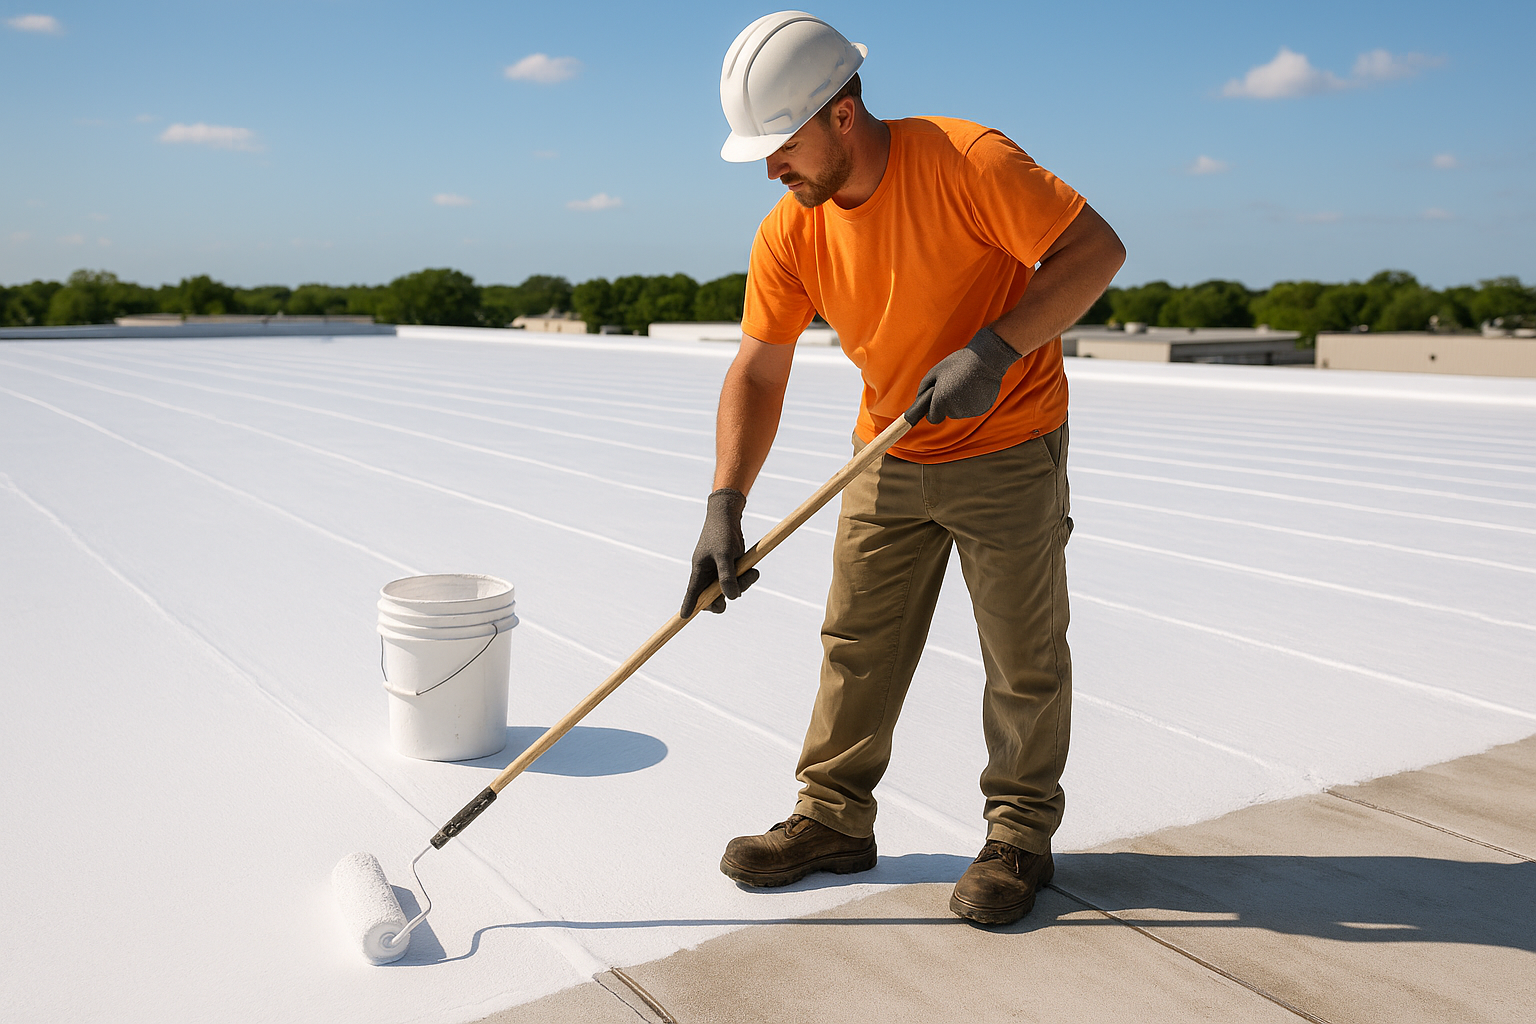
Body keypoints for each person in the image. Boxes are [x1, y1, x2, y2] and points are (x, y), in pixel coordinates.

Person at [682, 11, 1126, 925]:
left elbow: (1095, 251)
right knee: (856, 644)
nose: (772, 167)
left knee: (1022, 658)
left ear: (843, 114)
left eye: (783, 144)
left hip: (1009, 442)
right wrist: (725, 502)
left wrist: (995, 350)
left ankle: (1019, 838)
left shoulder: (968, 163)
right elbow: (760, 366)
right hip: (888, 449)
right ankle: (832, 819)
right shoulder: (791, 229)